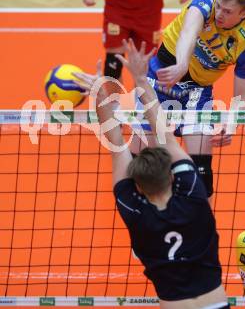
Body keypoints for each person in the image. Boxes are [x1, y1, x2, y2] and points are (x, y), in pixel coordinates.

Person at [73, 39, 230, 309]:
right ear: (172, 177)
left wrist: (102, 93)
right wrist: (141, 79)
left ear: (139, 187)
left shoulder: (135, 212)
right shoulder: (194, 196)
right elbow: (166, 137)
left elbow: (117, 148)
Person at [132, 0, 245, 199]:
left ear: (243, 14)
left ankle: (201, 227)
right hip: (159, 81)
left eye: (228, 11)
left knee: (203, 174)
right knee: (142, 164)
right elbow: (188, 33)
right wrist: (182, 64)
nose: (219, 13)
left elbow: (241, 93)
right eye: (219, 6)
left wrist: (232, 123)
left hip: (196, 93)